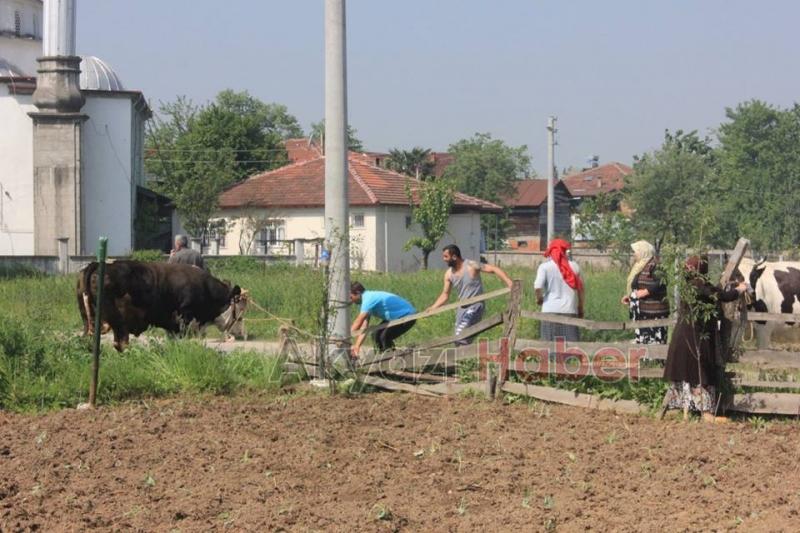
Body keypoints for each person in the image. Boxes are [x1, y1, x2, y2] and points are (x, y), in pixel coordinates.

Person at [663, 255, 747, 422]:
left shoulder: (688, 285)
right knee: (701, 370)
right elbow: (722, 296)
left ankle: (684, 410)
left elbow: (715, 292)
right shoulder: (700, 285)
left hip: (683, 335)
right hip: (696, 335)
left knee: (686, 371)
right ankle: (706, 413)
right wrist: (739, 289)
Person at [427, 244, 513, 345]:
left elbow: (493, 269)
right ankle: (464, 359)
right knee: (458, 340)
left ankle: (465, 357)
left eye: (446, 256)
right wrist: (433, 307)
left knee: (460, 336)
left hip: (475, 306)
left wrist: (509, 282)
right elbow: (445, 295)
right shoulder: (449, 274)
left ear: (454, 257)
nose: (444, 259)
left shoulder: (471, 266)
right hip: (461, 309)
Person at [534, 238, 584, 341]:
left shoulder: (544, 267)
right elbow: (581, 290)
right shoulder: (574, 266)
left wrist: (539, 299)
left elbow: (538, 286)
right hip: (569, 310)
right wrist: (580, 308)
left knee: (549, 345)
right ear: (565, 251)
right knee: (571, 346)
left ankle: (552, 358)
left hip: (549, 311)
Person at [350, 282, 416, 359]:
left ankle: (392, 361)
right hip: (396, 317)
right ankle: (381, 360)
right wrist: (357, 346)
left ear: (357, 293)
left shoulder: (368, 299)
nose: (351, 301)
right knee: (375, 334)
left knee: (384, 336)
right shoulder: (367, 300)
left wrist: (345, 337)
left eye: (351, 297)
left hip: (407, 315)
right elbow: (364, 326)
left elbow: (358, 322)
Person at [621, 240, 669, 344]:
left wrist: (646, 291)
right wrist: (630, 297)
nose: (634, 254)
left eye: (636, 251)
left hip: (654, 313)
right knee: (643, 343)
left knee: (655, 344)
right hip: (642, 313)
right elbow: (637, 286)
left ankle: (655, 360)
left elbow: (662, 282)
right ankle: (645, 360)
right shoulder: (639, 266)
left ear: (643, 251)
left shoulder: (655, 265)